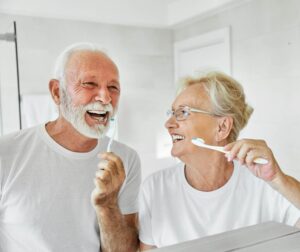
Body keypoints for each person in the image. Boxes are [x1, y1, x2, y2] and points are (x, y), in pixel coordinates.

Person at [0, 42, 141, 252]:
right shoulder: (6, 153)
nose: (105, 98)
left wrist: (108, 204)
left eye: (113, 87)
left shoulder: (126, 159)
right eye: (89, 84)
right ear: (57, 92)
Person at [139, 71, 300, 250]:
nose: (168, 123)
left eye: (183, 112)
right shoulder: (155, 188)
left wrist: (279, 179)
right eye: (172, 112)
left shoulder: (264, 184)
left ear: (222, 127)